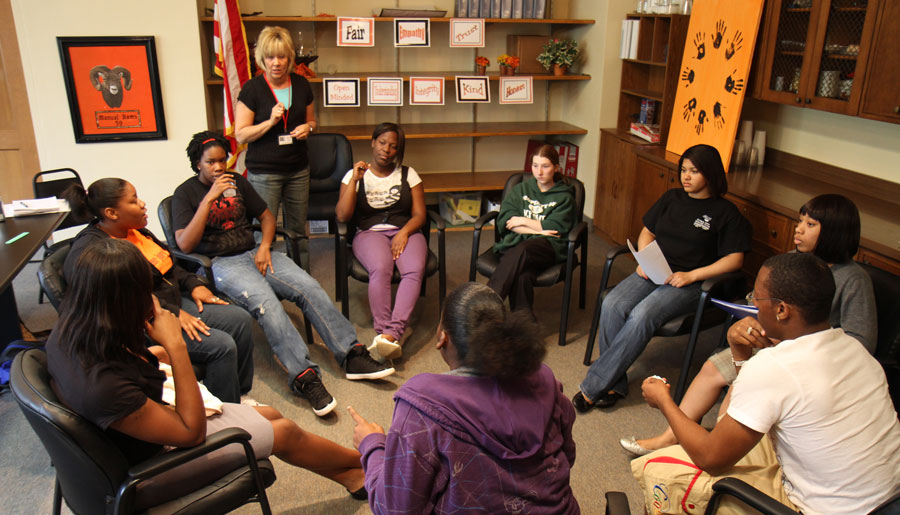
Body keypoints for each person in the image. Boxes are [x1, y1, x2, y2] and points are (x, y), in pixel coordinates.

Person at [47, 239, 369, 508]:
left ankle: (353, 474)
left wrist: (153, 353)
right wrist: (175, 346)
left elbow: (124, 377)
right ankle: (367, 462)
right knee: (284, 431)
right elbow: (191, 433)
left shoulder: (69, 331)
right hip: (148, 472)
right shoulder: (103, 386)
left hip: (139, 437)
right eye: (144, 293)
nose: (153, 300)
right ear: (120, 302)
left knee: (270, 414)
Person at [633, 253, 900, 514]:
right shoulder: (857, 351)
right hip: (886, 498)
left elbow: (710, 458)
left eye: (756, 298)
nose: (753, 304)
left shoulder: (773, 367)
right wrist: (740, 354)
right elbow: (741, 412)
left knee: (659, 470)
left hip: (826, 508)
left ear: (782, 310)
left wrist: (664, 402)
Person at [621, 193, 877, 455]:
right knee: (712, 368)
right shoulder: (792, 262)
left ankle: (717, 449)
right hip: (765, 343)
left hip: (807, 363)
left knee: (739, 390)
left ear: (834, 232)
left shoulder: (853, 279)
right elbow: (761, 299)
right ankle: (670, 438)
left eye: (810, 224)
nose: (798, 229)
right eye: (800, 221)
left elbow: (861, 342)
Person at [172, 131, 394, 417]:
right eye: (210, 162)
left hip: (255, 252)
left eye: (222, 160)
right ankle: (304, 376)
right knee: (267, 303)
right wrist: (208, 199)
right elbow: (185, 244)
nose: (218, 167)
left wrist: (265, 246)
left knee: (308, 287)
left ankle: (350, 354)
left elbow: (266, 217)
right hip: (221, 263)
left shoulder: (237, 181)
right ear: (197, 164)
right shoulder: (185, 194)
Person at [347, 282, 579, 514]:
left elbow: (395, 508)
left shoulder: (422, 407)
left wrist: (372, 444)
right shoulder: (543, 380)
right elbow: (567, 455)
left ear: (442, 338)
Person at [574, 144, 751, 411]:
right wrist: (644, 258)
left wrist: (692, 275)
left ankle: (593, 386)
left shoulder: (725, 213)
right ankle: (614, 383)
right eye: (683, 170)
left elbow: (734, 259)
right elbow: (647, 231)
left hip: (690, 282)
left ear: (711, 173)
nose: (685, 176)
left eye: (694, 171)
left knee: (642, 314)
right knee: (612, 303)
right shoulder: (671, 198)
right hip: (655, 269)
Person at [62, 178, 254, 403]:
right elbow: (121, 302)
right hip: (141, 323)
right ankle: (226, 408)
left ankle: (239, 394)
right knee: (222, 346)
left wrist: (194, 284)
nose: (143, 204)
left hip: (171, 302)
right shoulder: (96, 252)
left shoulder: (136, 232)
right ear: (112, 213)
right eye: (134, 201)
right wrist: (172, 313)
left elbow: (168, 264)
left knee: (241, 319)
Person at [335, 123, 426, 360]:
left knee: (414, 270)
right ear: (373, 142)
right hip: (369, 233)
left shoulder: (409, 174)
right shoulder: (354, 175)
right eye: (382, 143)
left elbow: (420, 215)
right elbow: (342, 216)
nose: (386, 150)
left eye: (393, 146)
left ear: (398, 151)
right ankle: (383, 329)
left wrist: (404, 232)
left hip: (405, 230)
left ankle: (391, 335)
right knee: (381, 267)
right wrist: (354, 181)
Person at [235, 26, 316, 264]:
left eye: (281, 56)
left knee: (298, 231)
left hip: (298, 170)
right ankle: (264, 277)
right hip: (264, 174)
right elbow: (241, 135)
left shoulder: (302, 85)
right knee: (264, 233)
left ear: (290, 58)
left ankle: (301, 275)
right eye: (270, 57)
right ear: (262, 58)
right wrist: (270, 122)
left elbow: (312, 121)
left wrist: (309, 128)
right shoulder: (252, 89)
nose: (276, 63)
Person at [488, 144, 575, 315]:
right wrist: (538, 230)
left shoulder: (564, 197)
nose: (539, 172)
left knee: (524, 250)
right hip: (517, 244)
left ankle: (486, 303)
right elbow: (506, 220)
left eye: (545, 166)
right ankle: (524, 323)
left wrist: (523, 220)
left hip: (548, 247)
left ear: (556, 168)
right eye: (535, 166)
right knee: (522, 276)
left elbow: (554, 228)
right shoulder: (521, 189)